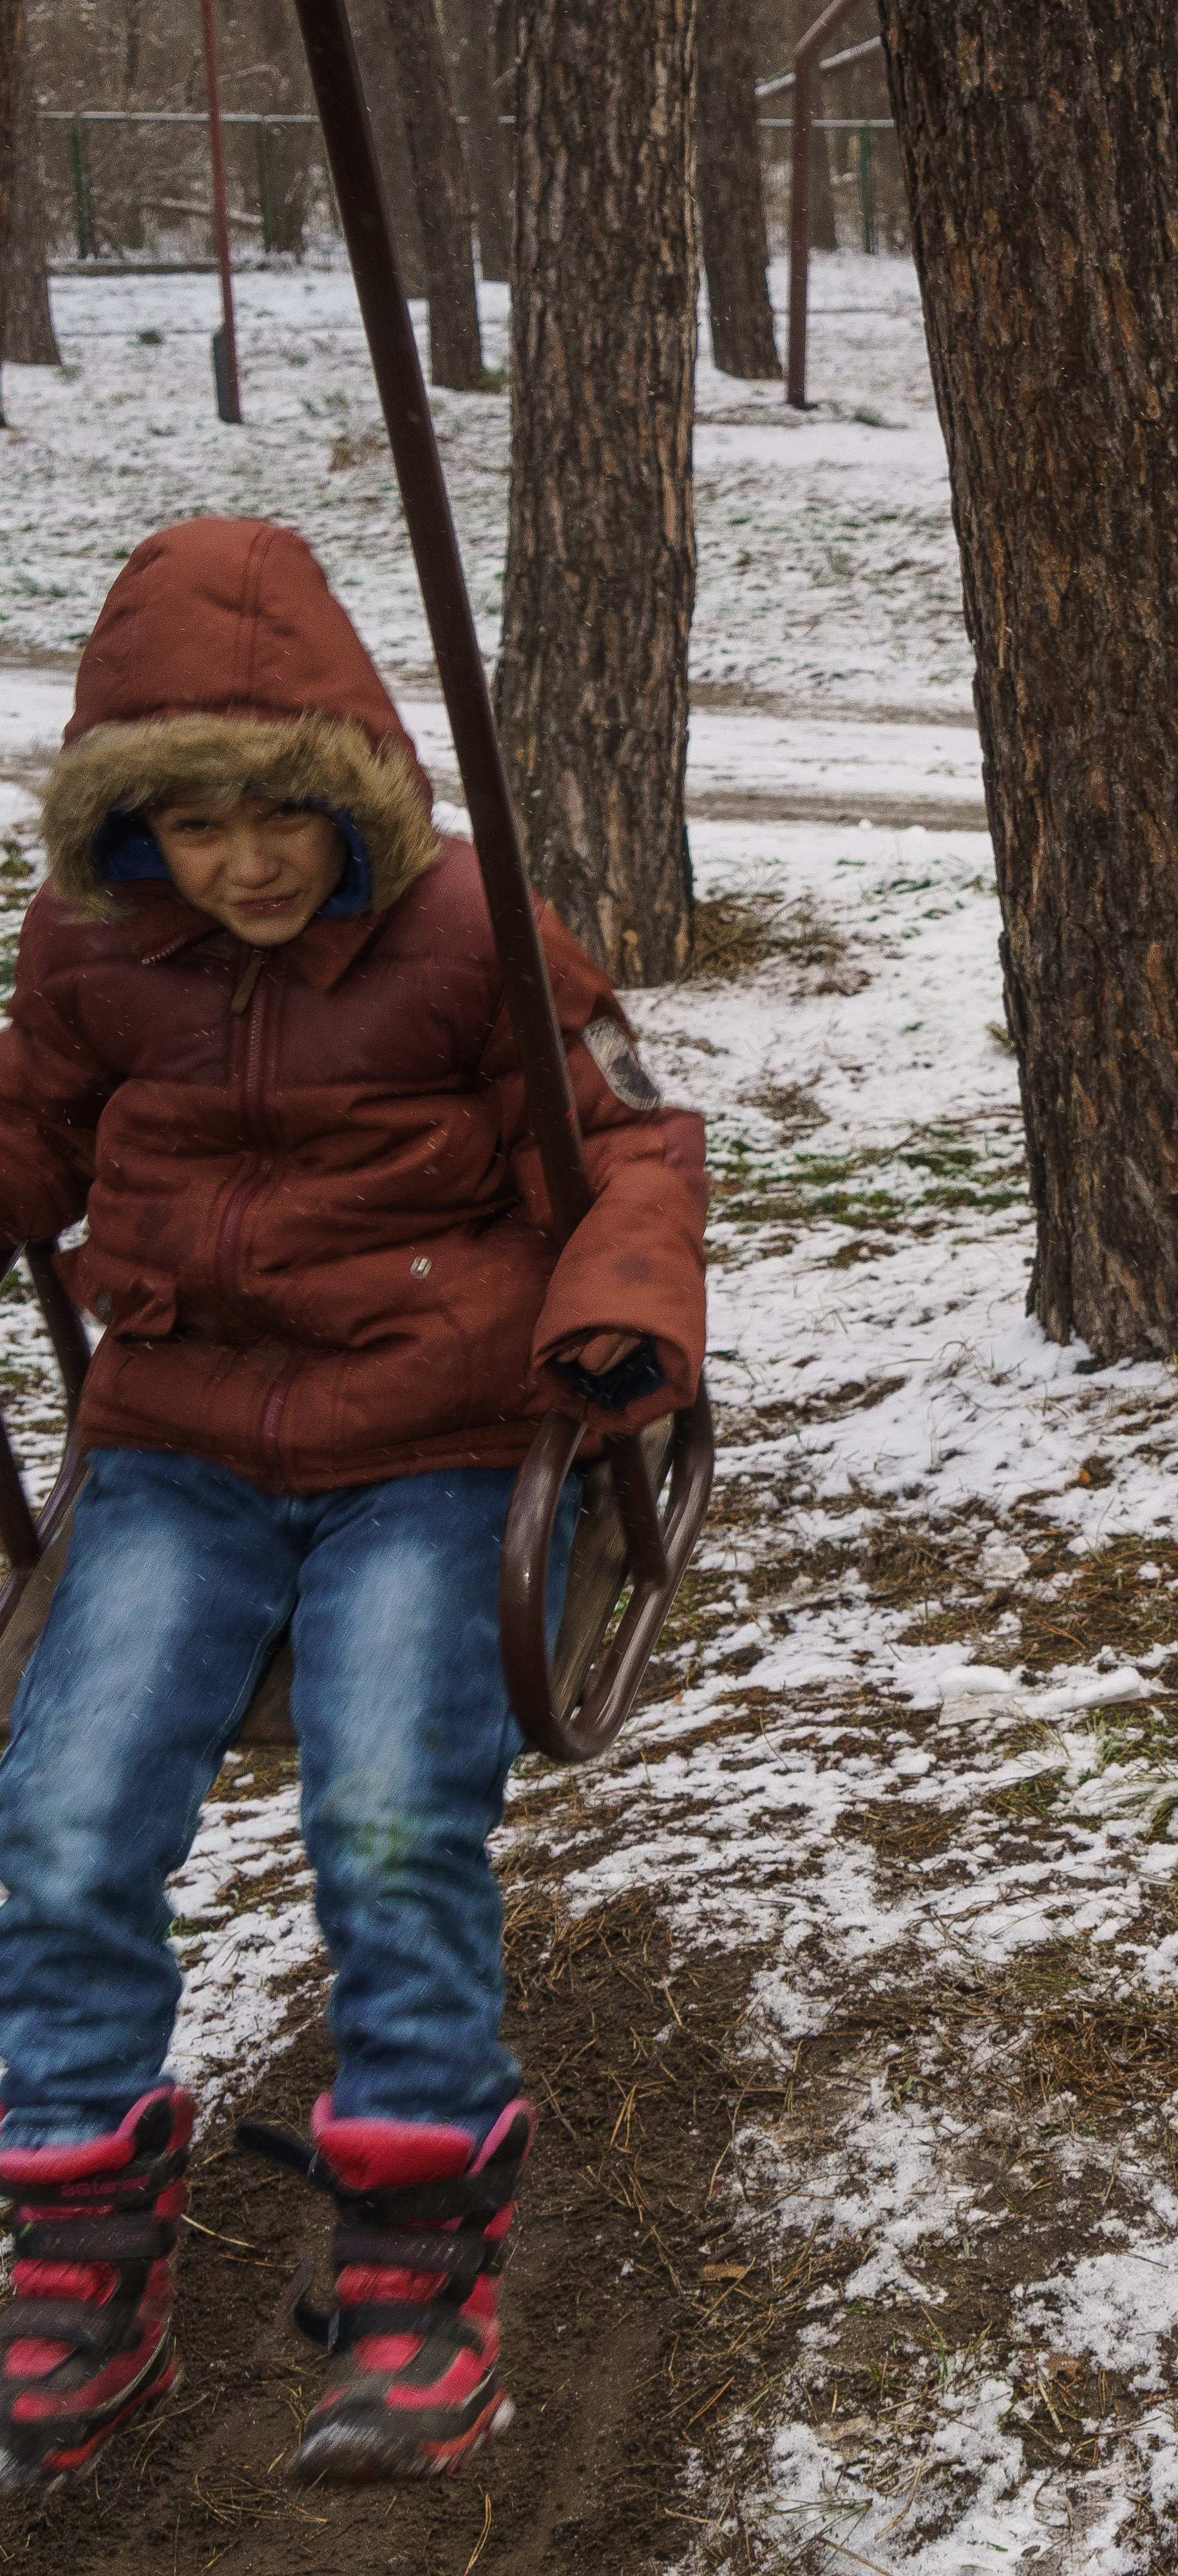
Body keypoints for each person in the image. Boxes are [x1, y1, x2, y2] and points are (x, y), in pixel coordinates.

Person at [0, 520, 706, 2487]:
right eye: (191, 823)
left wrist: (622, 1321)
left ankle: (416, 2251)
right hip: (181, 1448)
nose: (242, 864)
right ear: (133, 828)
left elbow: (634, 1147)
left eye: (282, 815)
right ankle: (75, 2235)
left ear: (358, 788)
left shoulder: (478, 934)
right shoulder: (89, 951)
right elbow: (27, 1134)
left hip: (432, 1446)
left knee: (390, 1819)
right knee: (58, 1821)